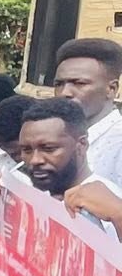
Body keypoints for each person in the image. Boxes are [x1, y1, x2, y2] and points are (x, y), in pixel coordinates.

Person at [52, 37, 122, 185]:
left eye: (79, 83)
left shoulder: (118, 144)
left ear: (111, 89)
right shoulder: (56, 135)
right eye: (59, 84)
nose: (65, 92)